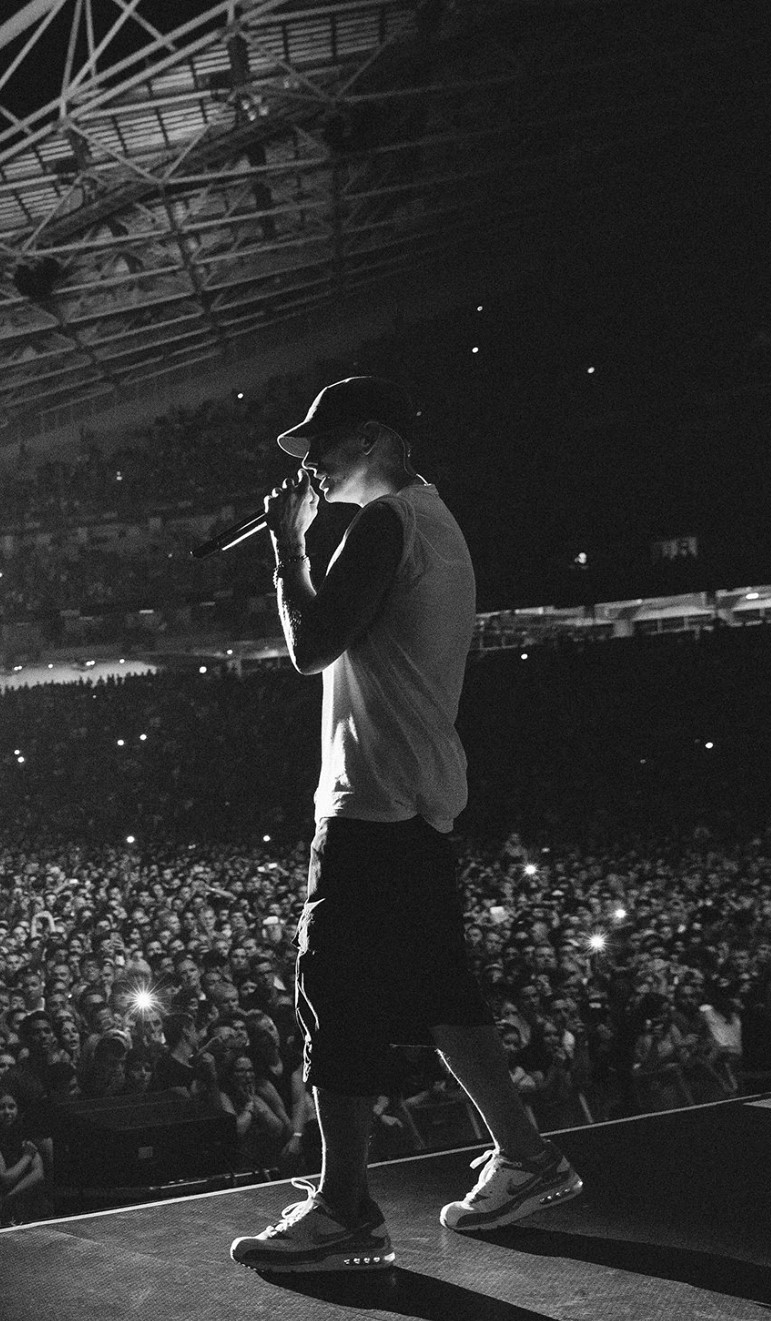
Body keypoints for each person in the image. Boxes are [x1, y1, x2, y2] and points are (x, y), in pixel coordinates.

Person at [230, 377, 582, 1274]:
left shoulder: (388, 523)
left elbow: (312, 647)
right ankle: (527, 1156)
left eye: (322, 443)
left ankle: (344, 1208)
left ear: (372, 438)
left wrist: (289, 546)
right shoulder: (434, 521)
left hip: (373, 801)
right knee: (440, 994)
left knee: (336, 994)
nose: (310, 462)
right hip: (417, 796)